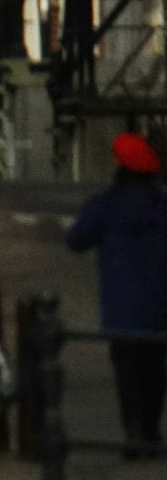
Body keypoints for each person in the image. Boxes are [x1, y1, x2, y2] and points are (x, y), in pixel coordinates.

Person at [66, 125, 167, 458]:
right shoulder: (161, 207)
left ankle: (133, 431)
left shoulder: (107, 205)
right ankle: (151, 431)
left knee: (127, 371)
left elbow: (77, 239)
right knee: (155, 369)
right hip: (159, 304)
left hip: (121, 306)